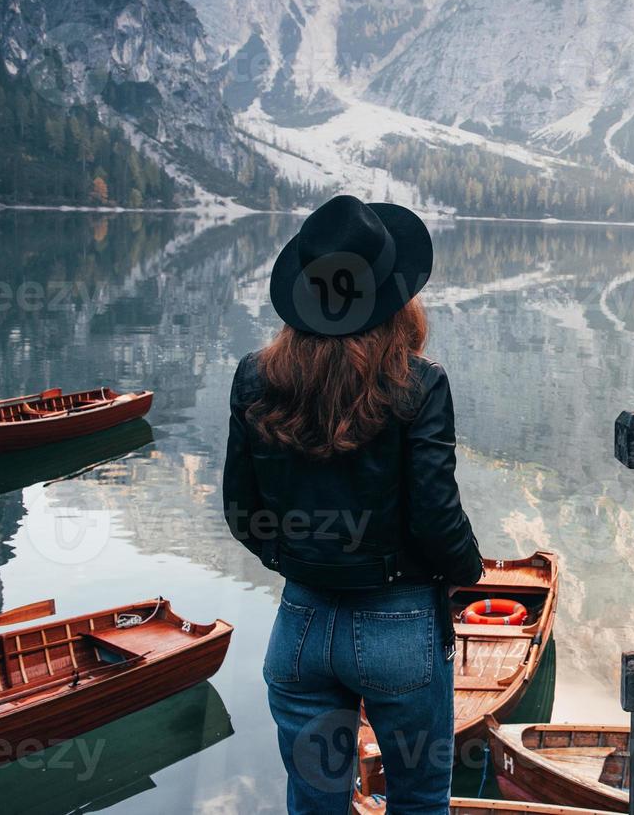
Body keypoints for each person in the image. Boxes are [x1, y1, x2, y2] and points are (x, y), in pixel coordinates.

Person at [223, 195, 483, 815]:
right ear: (394, 298)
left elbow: (241, 511)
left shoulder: (256, 376)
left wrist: (299, 558)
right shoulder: (419, 384)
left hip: (300, 626)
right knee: (419, 803)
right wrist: (467, 572)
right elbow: (435, 514)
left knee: (315, 807)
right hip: (400, 627)